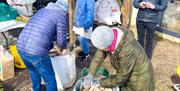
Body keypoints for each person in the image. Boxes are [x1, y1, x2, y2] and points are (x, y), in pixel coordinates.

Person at [16, 0, 69, 91]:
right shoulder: (60, 15)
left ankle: (36, 89)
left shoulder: (42, 10)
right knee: (49, 78)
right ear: (65, 10)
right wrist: (64, 47)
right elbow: (61, 40)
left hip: (20, 46)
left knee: (33, 71)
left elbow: (45, 29)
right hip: (36, 52)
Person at [83, 26, 154, 91]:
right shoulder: (109, 35)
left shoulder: (127, 51)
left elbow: (120, 78)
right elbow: (98, 56)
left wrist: (100, 82)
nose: (100, 50)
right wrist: (90, 74)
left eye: (101, 48)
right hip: (127, 73)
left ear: (106, 48)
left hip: (140, 79)